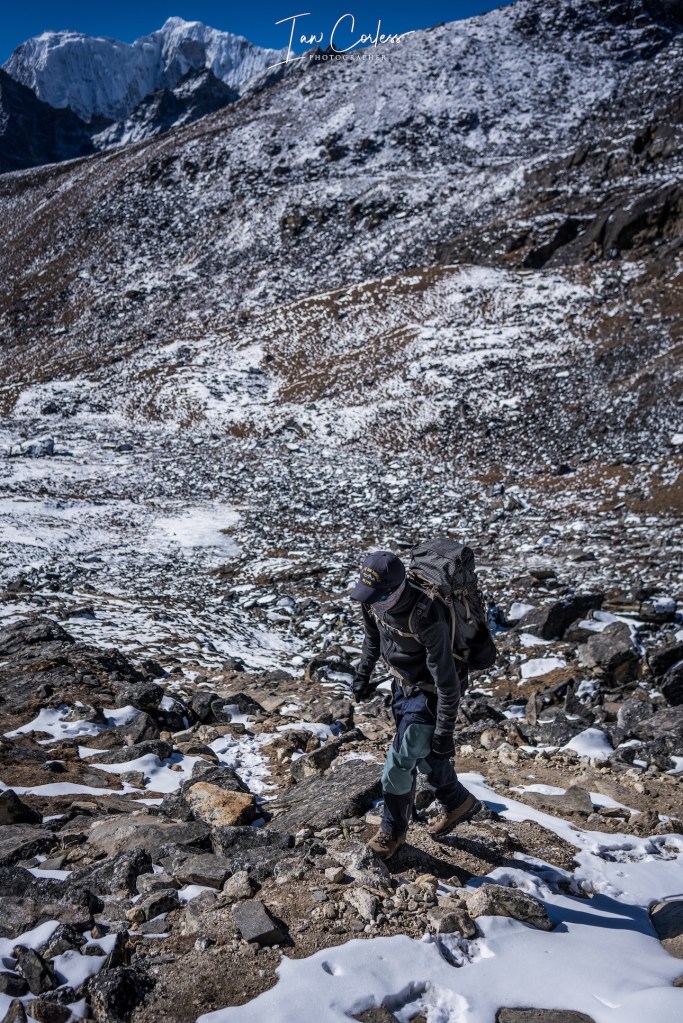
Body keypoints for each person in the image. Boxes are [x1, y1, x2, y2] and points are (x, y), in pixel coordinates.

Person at [350, 549, 482, 858]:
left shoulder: (427, 616)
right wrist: (362, 675)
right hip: (401, 685)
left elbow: (447, 684)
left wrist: (445, 733)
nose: (372, 603)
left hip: (430, 694)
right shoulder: (373, 600)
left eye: (378, 597)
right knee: (423, 753)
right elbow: (373, 639)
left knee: (398, 764)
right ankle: (457, 800)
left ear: (397, 589)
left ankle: (392, 831)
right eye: (368, 596)